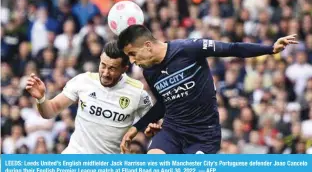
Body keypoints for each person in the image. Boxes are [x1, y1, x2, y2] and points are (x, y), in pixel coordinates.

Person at [117, 24, 298, 154]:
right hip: (172, 130)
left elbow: (231, 48)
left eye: (133, 54)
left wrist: (270, 49)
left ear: (148, 46)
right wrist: (136, 129)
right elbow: (163, 104)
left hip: (203, 133)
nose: (132, 61)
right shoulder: (149, 71)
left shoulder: (188, 48)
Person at [25, 41, 153, 154]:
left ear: (124, 69)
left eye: (112, 68)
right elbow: (50, 111)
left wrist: (150, 128)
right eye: (103, 65)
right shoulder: (83, 81)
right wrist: (41, 98)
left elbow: (154, 124)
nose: (105, 73)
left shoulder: (137, 92)